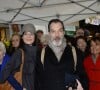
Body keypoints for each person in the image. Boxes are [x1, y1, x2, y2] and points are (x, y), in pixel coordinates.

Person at [36, 19, 83, 90]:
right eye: (53, 31)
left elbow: (82, 75)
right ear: (49, 33)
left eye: (60, 31)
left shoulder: (75, 52)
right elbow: (38, 80)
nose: (57, 35)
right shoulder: (40, 54)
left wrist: (81, 86)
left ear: (63, 32)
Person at [0, 23, 37, 90]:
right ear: (22, 37)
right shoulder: (19, 53)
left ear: (35, 36)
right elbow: (6, 72)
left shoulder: (40, 51)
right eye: (26, 34)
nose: (29, 36)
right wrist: (18, 87)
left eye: (31, 34)